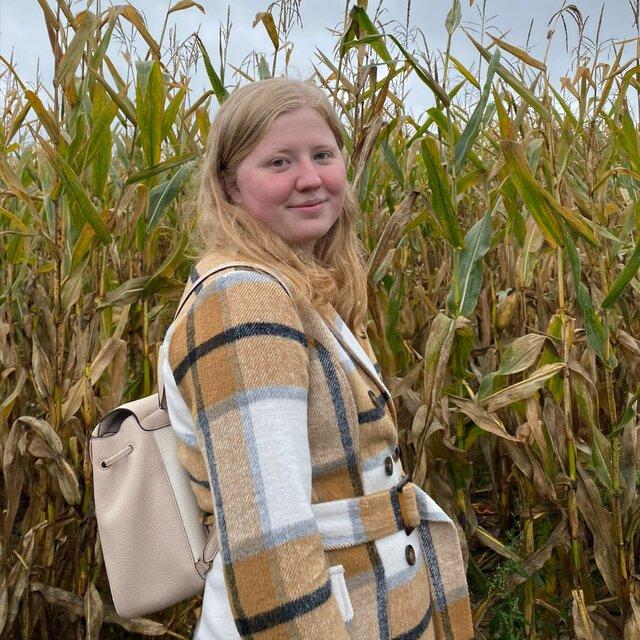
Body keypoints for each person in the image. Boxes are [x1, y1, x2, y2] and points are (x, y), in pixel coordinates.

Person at [162, 77, 473, 640]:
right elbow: (269, 545)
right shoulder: (242, 301)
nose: (310, 179)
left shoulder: (293, 288)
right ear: (230, 187)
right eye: (279, 162)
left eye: (322, 155)